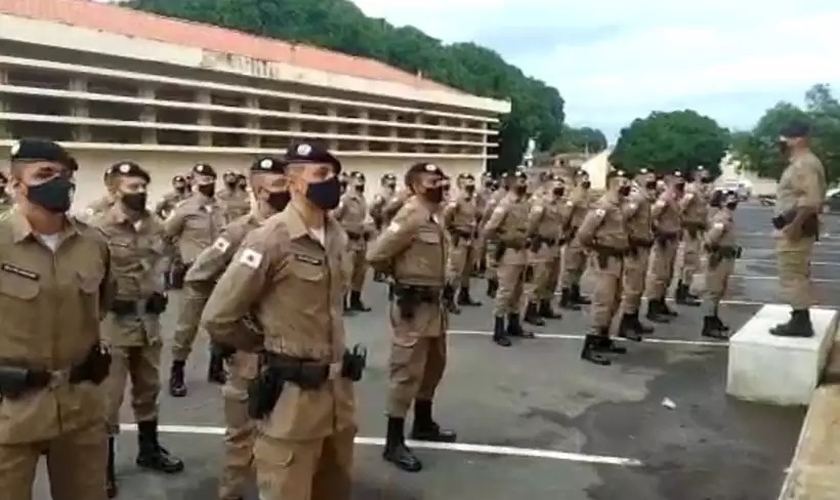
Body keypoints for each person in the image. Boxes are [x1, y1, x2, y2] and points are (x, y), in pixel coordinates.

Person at [201, 142, 360, 500]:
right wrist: (264, 347)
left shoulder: (336, 235)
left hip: (337, 400)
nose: (332, 181)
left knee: (335, 489)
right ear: (293, 183)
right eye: (321, 175)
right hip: (292, 403)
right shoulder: (270, 238)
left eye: (335, 174)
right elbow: (219, 316)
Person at [0, 138, 114, 500]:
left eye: (64, 174)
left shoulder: (94, 243)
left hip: (80, 407)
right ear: (16, 184)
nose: (59, 182)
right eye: (45, 174)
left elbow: (101, 305)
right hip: (10, 410)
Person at [184, 156, 290, 500]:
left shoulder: (297, 231)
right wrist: (232, 329)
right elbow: (198, 276)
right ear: (259, 190)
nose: (287, 191)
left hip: (291, 352)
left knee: (287, 439)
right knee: (242, 436)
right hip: (250, 355)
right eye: (278, 186)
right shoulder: (239, 232)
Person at [91, 161, 184, 498]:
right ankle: (102, 467)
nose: (141, 191)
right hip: (112, 325)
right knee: (108, 398)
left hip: (148, 322)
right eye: (133, 187)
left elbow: (163, 260)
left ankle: (149, 450)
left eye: (144, 186)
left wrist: (159, 290)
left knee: (148, 390)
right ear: (114, 190)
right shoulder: (96, 227)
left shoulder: (154, 225)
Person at [367, 162, 456, 473]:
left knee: (434, 366)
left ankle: (423, 422)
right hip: (413, 307)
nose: (441, 184)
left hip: (435, 307)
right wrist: (401, 281)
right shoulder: (410, 215)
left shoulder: (435, 214)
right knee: (406, 371)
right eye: (433, 181)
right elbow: (376, 255)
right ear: (417, 186)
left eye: (442, 179)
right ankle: (393, 442)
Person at [165, 163, 226, 396]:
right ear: (192, 181)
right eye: (201, 179)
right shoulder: (184, 208)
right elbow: (166, 234)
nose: (206, 183)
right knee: (186, 326)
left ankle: (216, 367)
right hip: (195, 275)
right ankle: (177, 371)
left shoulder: (221, 207)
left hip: (219, 273)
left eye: (210, 178)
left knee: (221, 323)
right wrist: (179, 259)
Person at [771, 122, 827, 337]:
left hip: (797, 228)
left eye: (786, 138)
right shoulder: (800, 162)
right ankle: (798, 316)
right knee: (796, 272)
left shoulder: (803, 164)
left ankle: (801, 321)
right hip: (795, 225)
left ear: (799, 139)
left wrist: (794, 226)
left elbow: (810, 200)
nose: (782, 143)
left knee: (792, 273)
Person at [577, 170, 632, 365]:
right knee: (603, 301)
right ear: (613, 183)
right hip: (606, 258)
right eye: (623, 181)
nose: (627, 184)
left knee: (615, 300)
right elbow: (584, 233)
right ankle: (590, 344)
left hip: (618, 258)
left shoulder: (621, 205)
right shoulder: (603, 206)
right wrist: (595, 250)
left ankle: (603, 338)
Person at [483, 171, 533, 347]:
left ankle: (514, 324)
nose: (524, 183)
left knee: (518, 291)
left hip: (522, 252)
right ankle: (498, 329)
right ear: (512, 183)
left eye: (524, 180)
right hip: (509, 253)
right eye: (520, 180)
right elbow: (489, 229)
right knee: (505, 291)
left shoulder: (525, 203)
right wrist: (503, 240)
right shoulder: (505, 204)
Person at [522, 174, 569, 322]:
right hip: (542, 245)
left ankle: (545, 305)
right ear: (549, 187)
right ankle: (531, 309)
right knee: (540, 278)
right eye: (557, 185)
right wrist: (531, 238)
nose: (560, 188)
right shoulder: (541, 203)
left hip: (555, 245)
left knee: (553, 278)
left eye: (562, 185)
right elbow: (531, 223)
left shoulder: (561, 203)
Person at [618, 169, 658, 333]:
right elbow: (622, 218)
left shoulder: (645, 197)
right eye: (647, 178)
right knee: (633, 286)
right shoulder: (637, 198)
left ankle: (633, 318)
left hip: (643, 246)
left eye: (652, 178)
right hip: (636, 247)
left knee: (639, 285)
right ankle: (626, 323)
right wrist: (629, 240)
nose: (651, 181)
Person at [701, 189, 741, 339]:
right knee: (713, 291)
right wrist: (716, 252)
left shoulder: (728, 217)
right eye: (729, 199)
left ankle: (714, 318)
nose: (733, 201)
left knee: (719, 290)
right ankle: (708, 324)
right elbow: (710, 240)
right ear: (722, 202)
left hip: (726, 259)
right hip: (719, 259)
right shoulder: (722, 218)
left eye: (734, 199)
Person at [646, 172, 683, 322]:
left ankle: (661, 302)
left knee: (668, 273)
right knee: (660, 274)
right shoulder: (665, 198)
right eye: (677, 179)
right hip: (664, 239)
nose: (680, 181)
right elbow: (652, 216)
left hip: (672, 239)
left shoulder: (675, 197)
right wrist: (658, 232)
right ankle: (653, 307)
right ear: (670, 181)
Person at [334, 171, 372, 313]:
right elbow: (334, 219)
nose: (360, 184)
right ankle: (342, 304)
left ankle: (356, 301)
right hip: (348, 242)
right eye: (357, 182)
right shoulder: (345, 200)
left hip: (361, 242)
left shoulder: (362, 200)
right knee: (346, 273)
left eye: (362, 182)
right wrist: (347, 230)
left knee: (360, 273)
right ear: (351, 183)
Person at [442, 173, 482, 309]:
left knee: (468, 268)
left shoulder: (473, 199)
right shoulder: (457, 200)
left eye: (471, 180)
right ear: (460, 184)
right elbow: (446, 216)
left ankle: (464, 295)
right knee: (456, 269)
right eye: (466, 181)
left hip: (470, 237)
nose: (470, 183)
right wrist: (452, 230)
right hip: (460, 238)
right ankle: (448, 298)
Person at [675, 166, 710, 306]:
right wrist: (685, 223)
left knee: (694, 262)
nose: (705, 176)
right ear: (696, 175)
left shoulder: (701, 190)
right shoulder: (691, 190)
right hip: (691, 230)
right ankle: (682, 293)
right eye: (703, 173)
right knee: (689, 261)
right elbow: (680, 208)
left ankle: (686, 289)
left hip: (698, 229)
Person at [559, 169, 592, 309]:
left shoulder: (586, 194)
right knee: (571, 267)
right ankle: (565, 298)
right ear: (577, 179)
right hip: (575, 234)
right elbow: (566, 216)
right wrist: (565, 232)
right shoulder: (575, 195)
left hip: (584, 234)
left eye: (587, 177)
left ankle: (575, 293)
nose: (585, 180)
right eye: (582, 177)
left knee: (580, 266)